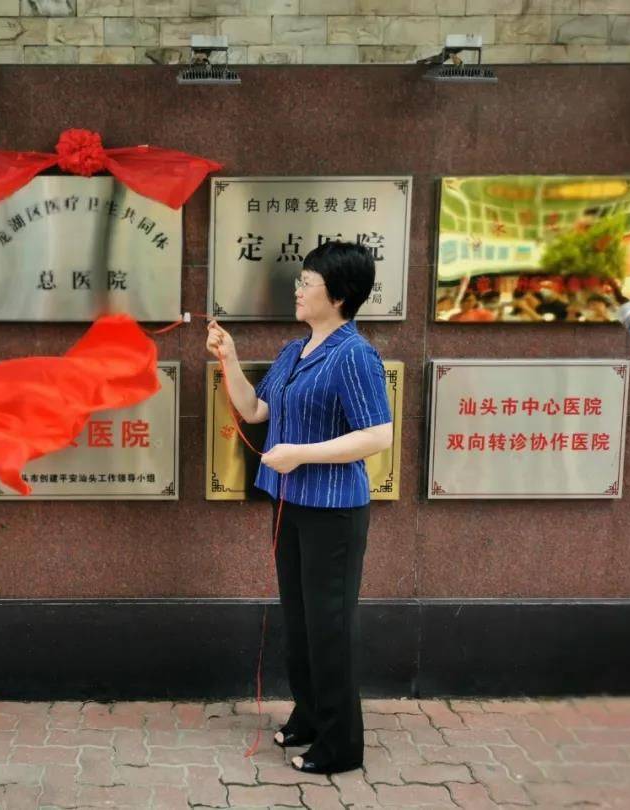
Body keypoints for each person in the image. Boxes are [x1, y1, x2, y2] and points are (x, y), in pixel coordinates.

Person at [206, 241, 393, 775]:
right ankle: (310, 717)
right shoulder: (296, 350)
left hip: (333, 512)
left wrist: (302, 454)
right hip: (290, 504)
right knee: (302, 622)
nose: (298, 289)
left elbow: (378, 434)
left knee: (330, 627)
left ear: (338, 296)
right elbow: (255, 408)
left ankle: (340, 746)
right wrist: (229, 355)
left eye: (307, 282)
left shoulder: (355, 354)